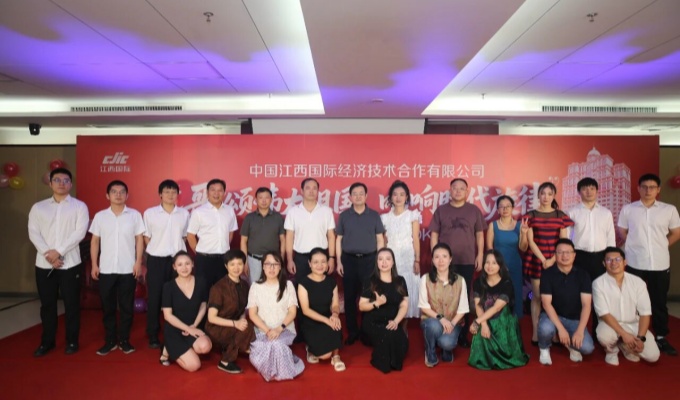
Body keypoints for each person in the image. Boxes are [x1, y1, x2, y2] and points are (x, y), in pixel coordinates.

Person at [28, 167, 89, 356]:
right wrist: (48, 254)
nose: (61, 183)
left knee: (72, 305)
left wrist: (59, 252)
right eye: (57, 180)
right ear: (50, 183)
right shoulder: (39, 207)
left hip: (70, 264)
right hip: (44, 263)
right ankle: (47, 342)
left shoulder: (79, 206)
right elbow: (33, 233)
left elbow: (79, 233)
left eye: (65, 180)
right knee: (47, 305)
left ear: (70, 184)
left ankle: (72, 341)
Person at [618, 173, 680, 356]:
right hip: (634, 262)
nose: (648, 190)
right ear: (638, 188)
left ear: (658, 190)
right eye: (644, 187)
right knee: (632, 301)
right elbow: (622, 231)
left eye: (652, 187)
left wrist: (662, 246)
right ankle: (632, 334)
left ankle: (660, 336)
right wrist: (635, 245)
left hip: (659, 263)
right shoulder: (628, 209)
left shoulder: (668, 210)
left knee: (659, 301)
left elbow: (676, 233)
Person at [89, 180, 145, 355]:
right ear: (107, 195)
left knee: (127, 307)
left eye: (122, 192)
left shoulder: (135, 215)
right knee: (108, 307)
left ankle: (124, 340)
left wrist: (138, 262)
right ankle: (110, 341)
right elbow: (95, 241)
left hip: (128, 268)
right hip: (106, 269)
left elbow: (139, 240)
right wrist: (94, 264)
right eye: (114, 192)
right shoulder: (100, 216)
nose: (118, 195)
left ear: (127, 195)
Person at [430, 178, 486, 347]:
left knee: (464, 296)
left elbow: (480, 235)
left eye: (462, 188)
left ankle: (462, 334)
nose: (458, 191)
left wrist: (480, 255)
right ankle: (442, 329)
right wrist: (435, 257)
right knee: (444, 295)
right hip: (444, 263)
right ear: (450, 190)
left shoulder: (474, 210)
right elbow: (434, 235)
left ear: (467, 192)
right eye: (455, 188)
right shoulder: (441, 210)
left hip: (467, 260)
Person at [523, 181, 574, 345]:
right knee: (537, 297)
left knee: (555, 298)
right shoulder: (531, 215)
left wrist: (552, 259)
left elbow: (564, 241)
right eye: (543, 193)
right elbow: (530, 241)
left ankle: (554, 331)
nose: (545, 197)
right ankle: (536, 332)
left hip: (556, 261)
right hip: (536, 261)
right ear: (538, 195)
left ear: (554, 196)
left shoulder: (560, 215)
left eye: (549, 194)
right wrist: (543, 260)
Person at [592, 247, 660, 365]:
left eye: (618, 259)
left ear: (625, 262)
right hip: (610, 325)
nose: (613, 263)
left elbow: (645, 313)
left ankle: (626, 347)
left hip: (633, 324)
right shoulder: (598, 283)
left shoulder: (638, 282)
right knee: (604, 336)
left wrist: (641, 338)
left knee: (653, 356)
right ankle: (611, 351)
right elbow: (604, 314)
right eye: (609, 260)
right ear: (604, 263)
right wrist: (624, 334)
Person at [143, 179, 190, 348]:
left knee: (178, 297)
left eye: (173, 192)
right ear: (160, 194)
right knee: (155, 297)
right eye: (167, 192)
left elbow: (185, 236)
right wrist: (158, 249)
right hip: (157, 260)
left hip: (178, 262)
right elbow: (146, 237)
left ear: (178, 194)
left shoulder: (184, 214)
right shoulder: (150, 213)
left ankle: (177, 332)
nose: (170, 195)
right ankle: (153, 334)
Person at [336, 182, 385, 344]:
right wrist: (339, 262)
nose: (358, 196)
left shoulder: (374, 215)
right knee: (349, 297)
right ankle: (352, 331)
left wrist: (380, 261)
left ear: (366, 196)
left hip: (369, 260)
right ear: (350, 197)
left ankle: (366, 330)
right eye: (354, 194)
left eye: (361, 193)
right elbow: (338, 240)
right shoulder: (344, 216)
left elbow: (380, 239)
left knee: (368, 297)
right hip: (348, 260)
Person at [566, 177, 615, 336]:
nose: (589, 191)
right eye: (585, 188)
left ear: (597, 191)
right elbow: (566, 238)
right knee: (577, 295)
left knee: (599, 295)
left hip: (600, 258)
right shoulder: (572, 212)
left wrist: (610, 259)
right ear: (579, 192)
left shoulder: (606, 213)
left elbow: (611, 238)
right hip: (579, 257)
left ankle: (598, 331)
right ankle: (576, 330)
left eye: (592, 188)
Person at [248, 251, 304, 381]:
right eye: (268, 264)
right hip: (263, 331)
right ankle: (285, 356)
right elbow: (252, 314)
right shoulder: (255, 286)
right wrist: (268, 330)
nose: (271, 268)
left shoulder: (288, 285)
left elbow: (292, 312)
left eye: (275, 264)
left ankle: (280, 371)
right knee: (260, 352)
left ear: (280, 267)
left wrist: (279, 329)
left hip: (284, 329)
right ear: (263, 266)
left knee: (275, 344)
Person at [468, 250, 529, 370]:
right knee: (482, 330)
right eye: (487, 262)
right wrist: (483, 324)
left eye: (494, 263)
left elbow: (497, 308)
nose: (490, 266)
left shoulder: (506, 283)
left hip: (502, 318)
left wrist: (477, 321)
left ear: (500, 265)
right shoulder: (478, 282)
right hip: (484, 316)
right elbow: (478, 306)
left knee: (497, 323)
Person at [538, 238, 594, 365]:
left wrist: (580, 331)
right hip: (552, 316)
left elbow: (586, 305)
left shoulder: (583, 275)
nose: (564, 256)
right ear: (555, 255)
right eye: (560, 252)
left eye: (568, 252)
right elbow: (546, 303)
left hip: (574, 319)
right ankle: (544, 348)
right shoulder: (547, 274)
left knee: (587, 348)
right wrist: (561, 329)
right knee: (545, 329)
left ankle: (572, 346)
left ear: (574, 255)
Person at [358, 248, 409, 373]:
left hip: (392, 321)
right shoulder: (370, 281)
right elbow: (362, 306)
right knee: (387, 336)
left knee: (402, 342)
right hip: (373, 322)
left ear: (393, 262)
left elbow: (404, 305)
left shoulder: (400, 281)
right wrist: (376, 303)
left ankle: (393, 361)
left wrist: (396, 321)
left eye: (388, 259)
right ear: (377, 262)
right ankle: (384, 362)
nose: (384, 262)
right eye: (380, 259)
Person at [159, 251, 212, 371]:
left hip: (193, 326)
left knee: (205, 346)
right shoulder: (168, 287)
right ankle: (167, 348)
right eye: (180, 264)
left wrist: (194, 325)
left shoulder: (201, 282)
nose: (184, 268)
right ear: (174, 267)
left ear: (192, 264)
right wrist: (188, 329)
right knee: (194, 366)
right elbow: (167, 316)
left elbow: (203, 305)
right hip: (175, 329)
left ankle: (185, 349)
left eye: (187, 263)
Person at [205, 249, 256, 374]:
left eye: (240, 264)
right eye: (232, 264)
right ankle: (225, 361)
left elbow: (242, 310)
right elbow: (211, 318)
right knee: (247, 331)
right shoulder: (218, 287)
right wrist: (236, 324)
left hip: (234, 324)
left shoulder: (245, 285)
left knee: (249, 328)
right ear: (226, 266)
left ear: (244, 265)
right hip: (216, 327)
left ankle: (240, 347)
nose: (236, 268)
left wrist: (242, 321)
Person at [418, 243, 469, 367]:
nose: (441, 261)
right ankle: (430, 352)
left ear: (450, 259)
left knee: (447, 343)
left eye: (444, 256)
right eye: (437, 257)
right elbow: (424, 306)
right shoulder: (425, 279)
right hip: (433, 320)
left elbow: (463, 309)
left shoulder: (460, 280)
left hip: (453, 322)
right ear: (432, 260)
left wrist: (451, 324)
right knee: (432, 326)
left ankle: (446, 349)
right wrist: (441, 319)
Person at [297, 248, 345, 371]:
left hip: (327, 318)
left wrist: (334, 315)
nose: (320, 265)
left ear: (327, 263)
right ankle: (310, 348)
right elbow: (306, 310)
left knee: (336, 322)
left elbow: (335, 305)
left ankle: (336, 356)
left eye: (323, 262)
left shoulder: (331, 282)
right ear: (309, 264)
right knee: (324, 356)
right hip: (310, 322)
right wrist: (326, 320)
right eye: (315, 262)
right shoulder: (303, 283)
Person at [187, 178, 238, 289]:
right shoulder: (198, 212)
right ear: (207, 192)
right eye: (213, 190)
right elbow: (190, 235)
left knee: (223, 291)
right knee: (203, 291)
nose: (216, 193)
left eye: (220, 190)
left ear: (224, 193)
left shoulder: (229, 210)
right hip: (204, 259)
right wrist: (199, 251)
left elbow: (230, 232)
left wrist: (223, 246)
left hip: (223, 259)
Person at [381, 180, 421, 319]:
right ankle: (393, 320)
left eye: (402, 194)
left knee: (407, 287)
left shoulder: (412, 215)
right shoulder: (385, 218)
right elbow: (384, 242)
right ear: (390, 197)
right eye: (395, 194)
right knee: (391, 287)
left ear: (406, 197)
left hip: (408, 258)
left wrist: (417, 260)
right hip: (391, 259)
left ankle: (404, 323)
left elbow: (416, 239)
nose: (398, 197)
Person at [486, 195, 529, 317]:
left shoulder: (520, 225)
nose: (505, 209)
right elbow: (489, 248)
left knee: (515, 292)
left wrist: (524, 233)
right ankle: (497, 320)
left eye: (508, 206)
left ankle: (515, 320)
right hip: (497, 266)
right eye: (502, 207)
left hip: (514, 264)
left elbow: (523, 248)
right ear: (497, 210)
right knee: (498, 294)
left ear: (512, 208)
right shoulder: (493, 225)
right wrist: (495, 265)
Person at [285, 178, 336, 280]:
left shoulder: (326, 211)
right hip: (301, 258)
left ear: (318, 191)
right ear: (302, 191)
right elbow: (289, 237)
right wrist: (290, 260)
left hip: (321, 258)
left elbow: (331, 236)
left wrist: (331, 258)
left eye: (314, 188)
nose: (311, 191)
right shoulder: (293, 212)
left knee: (321, 287)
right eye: (308, 188)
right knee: (301, 286)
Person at [240, 187, 285, 284]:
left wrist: (281, 258)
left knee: (273, 286)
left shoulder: (278, 217)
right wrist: (245, 261)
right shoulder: (249, 218)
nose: (264, 201)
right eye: (260, 198)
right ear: (255, 200)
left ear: (271, 199)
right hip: (254, 260)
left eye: (267, 198)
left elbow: (283, 239)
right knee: (255, 286)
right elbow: (243, 241)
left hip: (273, 261)